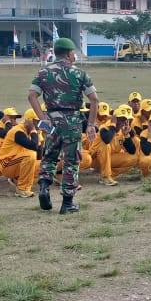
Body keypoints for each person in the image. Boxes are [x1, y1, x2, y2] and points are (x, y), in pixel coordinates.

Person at [29, 37, 100, 214]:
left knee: (49, 156)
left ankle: (44, 187)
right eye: (73, 52)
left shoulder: (43, 72)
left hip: (51, 119)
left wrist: (42, 118)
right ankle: (67, 203)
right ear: (69, 53)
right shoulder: (80, 74)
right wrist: (90, 124)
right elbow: (94, 99)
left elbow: (32, 96)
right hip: (73, 121)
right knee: (71, 160)